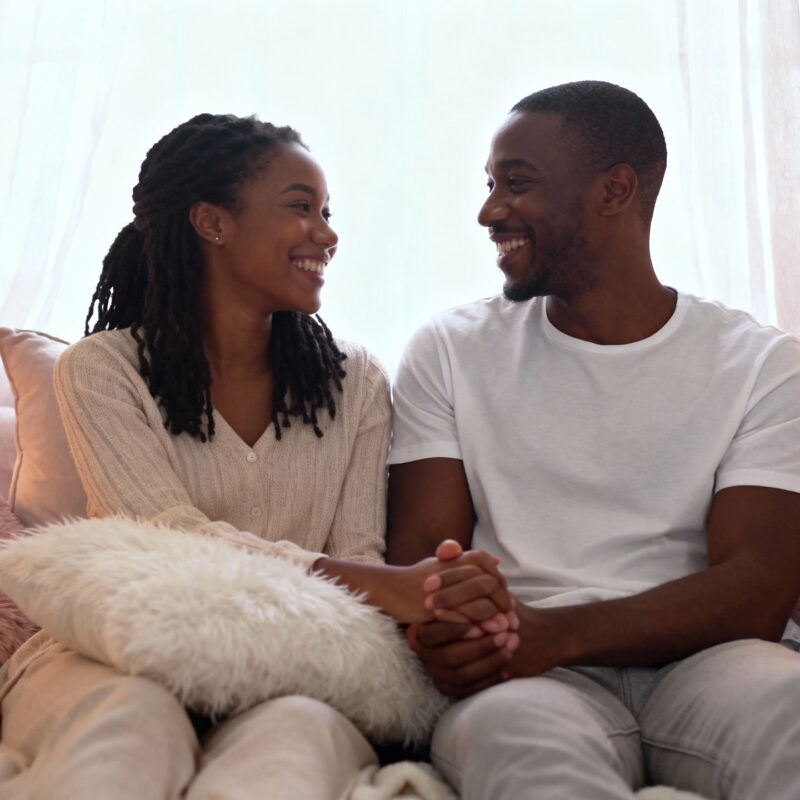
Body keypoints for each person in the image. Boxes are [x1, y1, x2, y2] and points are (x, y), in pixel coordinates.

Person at [0, 113, 514, 800]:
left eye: (327, 213)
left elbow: (359, 554)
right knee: (131, 725)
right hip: (115, 658)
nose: (327, 235)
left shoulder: (355, 382)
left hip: (297, 667)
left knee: (295, 739)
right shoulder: (105, 369)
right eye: (301, 208)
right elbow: (164, 536)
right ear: (213, 223)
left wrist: (405, 587)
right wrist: (386, 582)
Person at [387, 81, 800, 799]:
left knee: (789, 709)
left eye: (517, 185)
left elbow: (757, 590)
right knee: (518, 745)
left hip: (714, 662)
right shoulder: (450, 350)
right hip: (527, 677)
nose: (489, 212)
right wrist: (450, 631)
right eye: (490, 186)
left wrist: (558, 630)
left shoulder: (763, 365)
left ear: (614, 191)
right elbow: (423, 561)